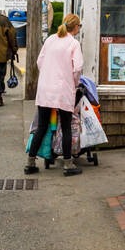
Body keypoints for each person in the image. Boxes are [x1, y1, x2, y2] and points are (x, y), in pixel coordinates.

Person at [25, 13, 84, 177]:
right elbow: (77, 68)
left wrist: (48, 75)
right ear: (75, 27)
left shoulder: (51, 39)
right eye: (79, 26)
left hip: (45, 89)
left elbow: (39, 61)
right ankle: (67, 165)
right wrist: (74, 83)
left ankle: (30, 163)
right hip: (63, 89)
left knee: (42, 126)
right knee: (66, 127)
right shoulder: (73, 43)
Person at [0, 9, 17, 107]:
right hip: (1, 55)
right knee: (0, 76)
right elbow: (12, 36)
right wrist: (14, 50)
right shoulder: (4, 21)